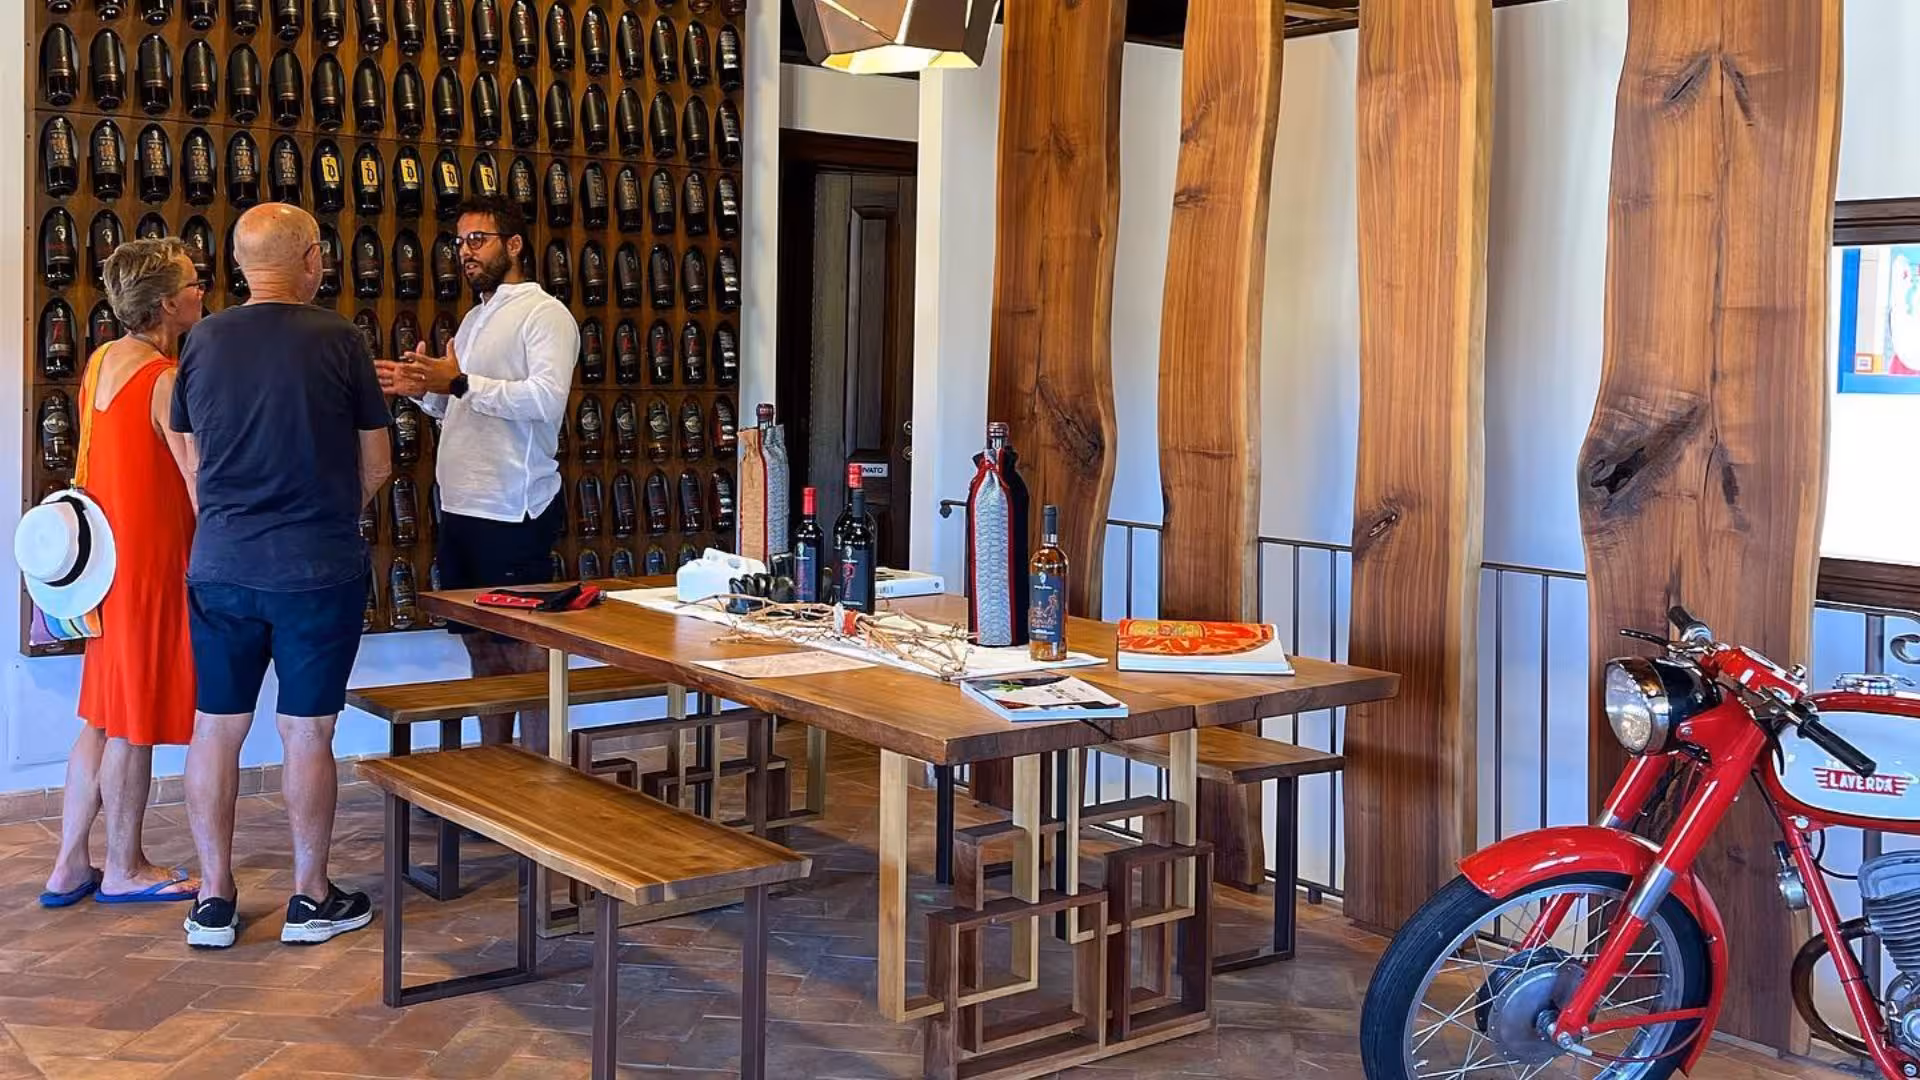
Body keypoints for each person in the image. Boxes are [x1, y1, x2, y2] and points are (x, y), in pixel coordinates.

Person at [172, 203, 393, 948]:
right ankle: (310, 896)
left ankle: (213, 900)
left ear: (238, 265)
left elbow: (185, 441)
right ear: (312, 260)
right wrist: (327, 511)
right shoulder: (340, 339)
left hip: (223, 563)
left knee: (217, 727)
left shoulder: (201, 338)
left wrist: (224, 512)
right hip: (315, 565)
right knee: (308, 730)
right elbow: (379, 461)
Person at [34, 238, 205, 908]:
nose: (201, 291)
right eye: (192, 283)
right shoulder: (164, 379)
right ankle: (125, 866)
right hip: (151, 567)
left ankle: (69, 866)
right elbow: (196, 483)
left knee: (103, 717)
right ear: (166, 302)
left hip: (104, 569)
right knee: (132, 721)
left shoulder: (105, 358)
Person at [375, 194, 577, 750]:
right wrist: (425, 393)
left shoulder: (544, 315)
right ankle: (496, 762)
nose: (465, 252)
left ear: (513, 245)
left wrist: (458, 382)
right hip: (461, 505)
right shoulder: (473, 318)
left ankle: (544, 772)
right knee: (479, 642)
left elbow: (545, 400)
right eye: (459, 242)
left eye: (477, 240)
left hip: (512, 506)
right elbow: (462, 406)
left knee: (524, 644)